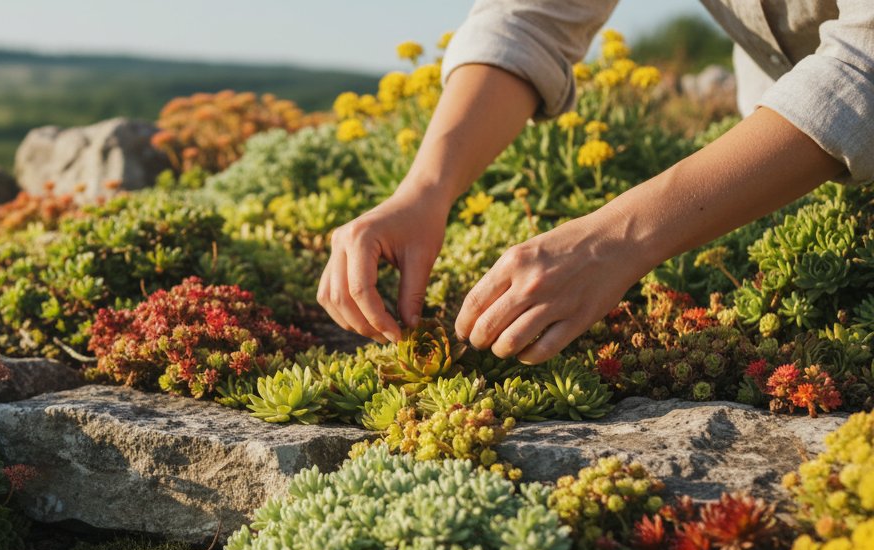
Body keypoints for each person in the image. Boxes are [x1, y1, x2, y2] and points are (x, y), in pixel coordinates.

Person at [318, 0, 873, 363]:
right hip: (773, 181)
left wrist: (617, 238)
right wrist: (424, 191)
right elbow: (532, 16)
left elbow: (863, 63)